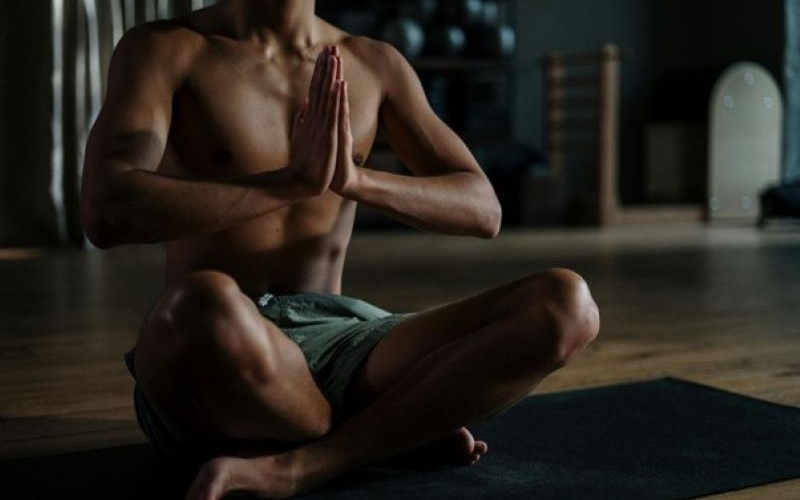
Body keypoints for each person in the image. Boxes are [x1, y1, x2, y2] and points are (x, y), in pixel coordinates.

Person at [80, 1, 600, 498]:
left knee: (565, 304)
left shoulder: (374, 62)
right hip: (214, 346)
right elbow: (105, 210)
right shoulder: (165, 48)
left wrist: (354, 180)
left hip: (342, 338)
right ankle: (398, 425)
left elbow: (483, 208)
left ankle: (312, 462)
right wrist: (288, 184)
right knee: (201, 304)